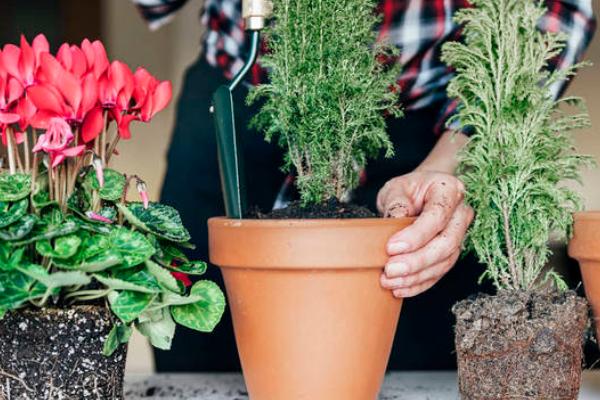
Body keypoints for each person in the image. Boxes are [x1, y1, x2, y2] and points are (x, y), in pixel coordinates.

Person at [133, 0, 596, 371]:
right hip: (243, 96)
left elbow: (558, 14)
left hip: (432, 131)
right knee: (197, 354)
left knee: (420, 358)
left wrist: (459, 154)